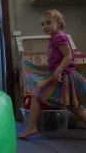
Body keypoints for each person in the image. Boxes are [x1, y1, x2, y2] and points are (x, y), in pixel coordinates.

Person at [18, 9, 86, 139]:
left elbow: (68, 55)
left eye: (48, 23)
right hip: (62, 74)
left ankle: (32, 127)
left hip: (63, 75)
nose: (45, 26)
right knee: (73, 106)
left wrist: (58, 71)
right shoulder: (55, 38)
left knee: (36, 94)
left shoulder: (59, 37)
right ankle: (32, 127)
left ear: (59, 23)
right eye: (42, 24)